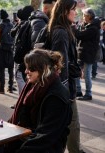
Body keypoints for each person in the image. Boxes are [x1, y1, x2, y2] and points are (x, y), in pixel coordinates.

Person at [6, 49, 72, 153]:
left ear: (43, 69)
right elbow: (19, 115)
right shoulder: (35, 85)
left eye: (30, 69)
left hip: (46, 147)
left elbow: (47, 135)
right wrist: (1, 126)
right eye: (26, 67)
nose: (26, 71)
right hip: (28, 137)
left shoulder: (56, 96)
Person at [46, 0, 84, 152]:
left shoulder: (58, 29)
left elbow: (65, 60)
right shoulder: (61, 32)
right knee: (72, 125)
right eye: (73, 9)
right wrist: (64, 92)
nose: (76, 12)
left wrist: (75, 69)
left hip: (60, 88)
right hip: (64, 89)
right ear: (65, 11)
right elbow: (59, 64)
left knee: (62, 127)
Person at [74, 8, 100, 100]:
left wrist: (73, 28)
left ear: (89, 16)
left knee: (87, 74)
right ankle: (78, 91)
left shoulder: (93, 28)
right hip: (81, 53)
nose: (83, 17)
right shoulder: (87, 25)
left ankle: (88, 94)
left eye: (84, 15)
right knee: (76, 72)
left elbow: (80, 35)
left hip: (88, 54)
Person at [0, 9, 14, 94]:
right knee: (10, 69)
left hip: (1, 49)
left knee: (1, 70)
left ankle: (2, 89)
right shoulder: (12, 25)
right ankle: (10, 88)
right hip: (10, 49)